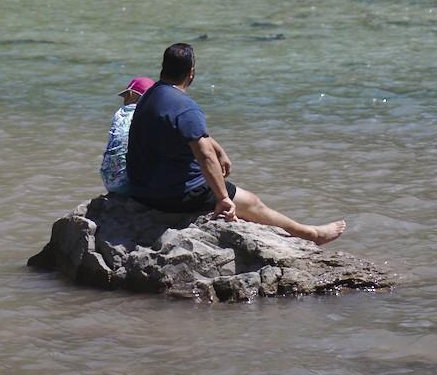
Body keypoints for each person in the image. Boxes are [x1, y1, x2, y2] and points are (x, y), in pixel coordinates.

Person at [126, 43, 345, 245]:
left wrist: (219, 149)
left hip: (141, 189)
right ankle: (311, 234)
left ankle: (307, 232)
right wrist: (222, 198)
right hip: (174, 195)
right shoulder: (185, 107)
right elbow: (204, 155)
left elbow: (188, 133)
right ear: (191, 71)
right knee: (251, 202)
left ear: (163, 68)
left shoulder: (151, 95)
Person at [100, 76, 154, 195]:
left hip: (109, 181)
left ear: (130, 94)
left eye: (125, 96)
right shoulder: (148, 115)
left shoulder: (119, 114)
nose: (124, 100)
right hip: (131, 185)